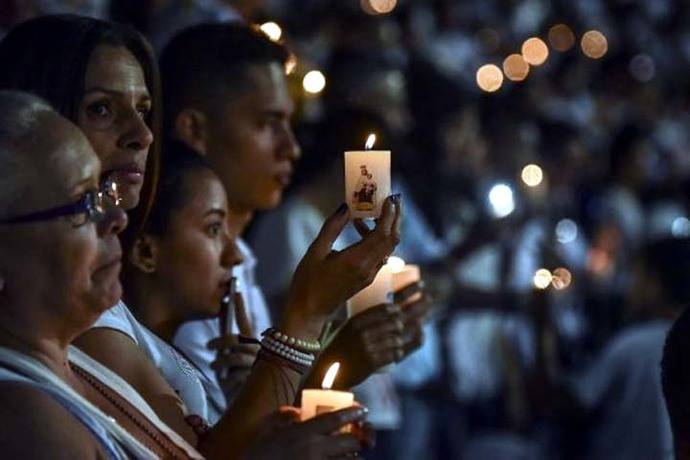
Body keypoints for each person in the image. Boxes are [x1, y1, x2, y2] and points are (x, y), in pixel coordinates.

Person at [0, 15, 389, 457]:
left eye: (145, 111)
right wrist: (305, 320)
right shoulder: (33, 392)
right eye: (101, 109)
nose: (142, 134)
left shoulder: (84, 319)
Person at [159, 21, 425, 416]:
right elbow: (219, 440)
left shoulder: (241, 262)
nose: (292, 148)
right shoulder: (180, 278)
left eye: (290, 123)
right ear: (195, 129)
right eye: (267, 124)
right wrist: (339, 356)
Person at [0, 89, 199, 459]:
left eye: (101, 193)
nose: (116, 219)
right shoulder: (22, 418)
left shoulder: (72, 360)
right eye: (83, 203)